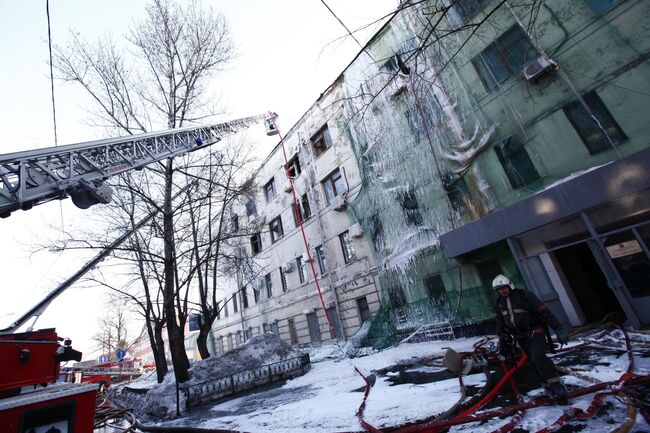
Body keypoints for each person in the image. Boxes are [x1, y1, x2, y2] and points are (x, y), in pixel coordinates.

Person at [492, 274, 570, 405]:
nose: (502, 291)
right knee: (533, 362)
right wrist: (501, 337)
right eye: (499, 289)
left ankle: (557, 386)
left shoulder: (525, 296)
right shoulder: (500, 303)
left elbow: (545, 312)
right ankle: (547, 386)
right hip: (520, 338)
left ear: (509, 285)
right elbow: (500, 321)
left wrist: (559, 329)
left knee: (538, 357)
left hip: (535, 333)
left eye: (503, 288)